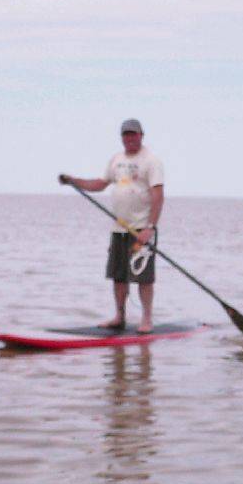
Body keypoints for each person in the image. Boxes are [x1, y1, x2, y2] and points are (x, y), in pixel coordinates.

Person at [58, 119, 165, 333]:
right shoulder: (116, 159)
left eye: (133, 134)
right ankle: (119, 316)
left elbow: (158, 195)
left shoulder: (151, 161)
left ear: (141, 135)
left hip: (141, 230)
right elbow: (100, 183)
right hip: (119, 229)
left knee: (143, 277)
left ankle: (146, 319)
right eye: (126, 134)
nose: (130, 138)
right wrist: (74, 181)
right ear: (122, 137)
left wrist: (150, 227)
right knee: (118, 275)